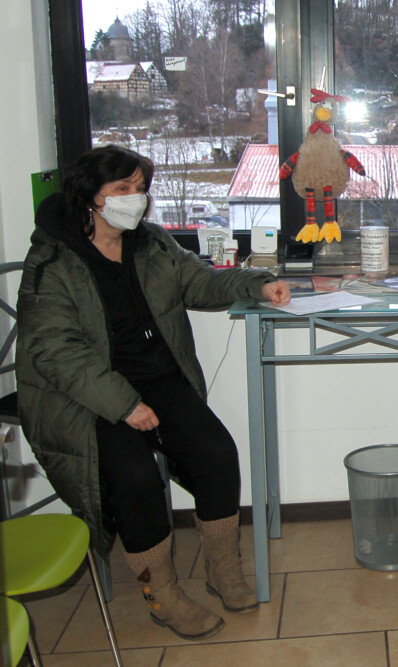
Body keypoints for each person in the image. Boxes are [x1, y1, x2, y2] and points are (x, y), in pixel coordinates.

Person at [16, 145, 291, 641]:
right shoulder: (53, 260)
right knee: (135, 478)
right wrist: (124, 405)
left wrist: (257, 284)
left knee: (216, 453)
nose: (135, 198)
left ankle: (222, 570)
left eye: (140, 189)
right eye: (122, 188)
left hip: (159, 381)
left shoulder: (152, 243)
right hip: (89, 398)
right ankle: (161, 593)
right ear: (91, 196)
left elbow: (199, 283)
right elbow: (54, 350)